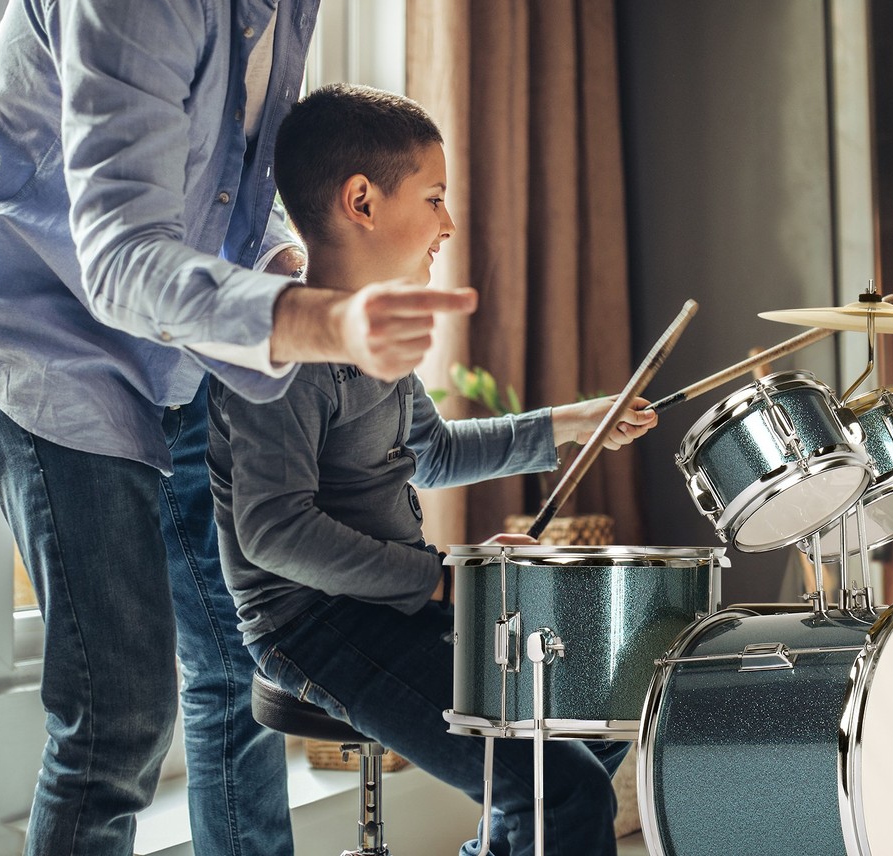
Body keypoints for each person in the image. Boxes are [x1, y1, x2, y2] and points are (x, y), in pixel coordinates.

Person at [0, 0, 479, 855]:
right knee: (119, 719)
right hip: (53, 351)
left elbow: (227, 212)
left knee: (239, 672)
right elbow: (125, 257)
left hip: (180, 353)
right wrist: (323, 322)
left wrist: (305, 275)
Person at [207, 83, 659, 856]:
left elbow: (436, 451)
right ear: (362, 201)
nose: (448, 223)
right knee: (568, 789)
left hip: (395, 598)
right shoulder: (280, 352)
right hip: (312, 625)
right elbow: (274, 533)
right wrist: (447, 578)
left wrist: (574, 425)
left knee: (599, 704)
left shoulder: (377, 330)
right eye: (436, 197)